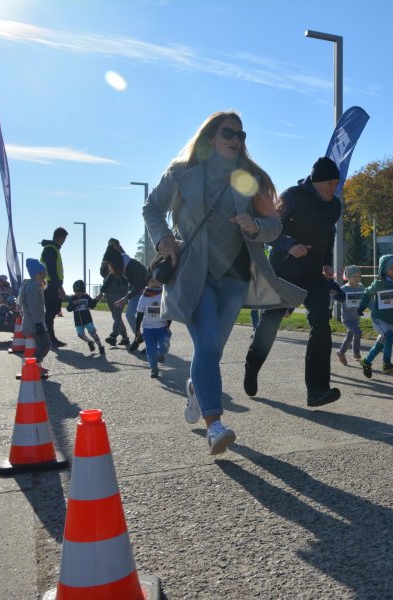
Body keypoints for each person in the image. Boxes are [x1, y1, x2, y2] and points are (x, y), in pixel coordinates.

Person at [143, 110, 305, 455]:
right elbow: (151, 209)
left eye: (241, 136)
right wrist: (163, 240)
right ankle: (215, 425)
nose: (236, 140)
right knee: (208, 346)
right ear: (210, 138)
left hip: (234, 277)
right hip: (194, 273)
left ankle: (195, 388)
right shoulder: (182, 174)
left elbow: (274, 226)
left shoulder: (248, 178)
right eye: (229, 133)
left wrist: (255, 227)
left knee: (211, 350)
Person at [243, 156, 343, 408]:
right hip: (283, 272)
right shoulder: (292, 196)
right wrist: (290, 245)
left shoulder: (334, 206)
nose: (334, 188)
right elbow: (268, 230)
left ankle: (317, 390)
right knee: (271, 323)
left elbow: (329, 234)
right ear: (317, 181)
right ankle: (252, 365)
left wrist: (328, 261)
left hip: (312, 274)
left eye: (336, 183)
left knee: (321, 321)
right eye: (330, 183)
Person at [103, 244, 149, 338]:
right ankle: (139, 336)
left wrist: (125, 298)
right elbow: (110, 277)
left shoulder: (133, 265)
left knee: (147, 318)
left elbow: (141, 285)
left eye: (110, 264)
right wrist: (101, 292)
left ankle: (151, 340)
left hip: (148, 291)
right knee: (129, 315)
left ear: (116, 262)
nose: (110, 267)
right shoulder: (120, 265)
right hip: (136, 291)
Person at [132, 274, 170, 378]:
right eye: (152, 281)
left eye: (157, 280)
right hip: (148, 329)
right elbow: (139, 314)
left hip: (162, 328)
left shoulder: (165, 295)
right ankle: (154, 368)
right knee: (150, 350)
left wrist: (168, 325)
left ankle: (161, 353)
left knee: (164, 347)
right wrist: (137, 330)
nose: (155, 283)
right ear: (147, 283)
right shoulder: (143, 298)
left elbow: (169, 311)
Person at [18, 258, 52, 370]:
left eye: (44, 273)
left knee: (40, 345)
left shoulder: (34, 286)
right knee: (46, 344)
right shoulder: (32, 288)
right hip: (34, 324)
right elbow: (32, 308)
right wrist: (38, 324)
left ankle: (36, 365)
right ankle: (32, 365)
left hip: (34, 323)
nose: (43, 275)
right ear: (33, 274)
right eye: (40, 273)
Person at [39, 226, 68, 347]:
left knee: (53, 312)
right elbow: (52, 270)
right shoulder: (50, 249)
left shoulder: (53, 248)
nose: (64, 242)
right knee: (50, 314)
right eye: (64, 239)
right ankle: (50, 339)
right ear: (61, 238)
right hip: (51, 285)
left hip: (53, 284)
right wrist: (59, 287)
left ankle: (49, 338)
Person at [66, 279, 105, 356]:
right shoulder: (73, 298)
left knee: (92, 333)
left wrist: (97, 299)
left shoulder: (86, 297)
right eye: (76, 292)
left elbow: (92, 305)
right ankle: (90, 342)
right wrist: (74, 304)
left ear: (83, 290)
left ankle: (100, 346)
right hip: (78, 321)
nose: (78, 293)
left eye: (80, 291)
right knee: (80, 334)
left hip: (87, 319)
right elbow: (68, 309)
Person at [335, 265, 365, 364]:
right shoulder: (343, 289)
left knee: (349, 337)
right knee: (358, 332)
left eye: (359, 276)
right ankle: (356, 354)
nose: (357, 278)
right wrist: (335, 295)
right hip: (347, 319)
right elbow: (336, 297)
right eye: (354, 276)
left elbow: (366, 299)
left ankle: (341, 352)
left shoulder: (361, 287)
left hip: (356, 318)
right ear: (348, 277)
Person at [96, 259, 130, 346]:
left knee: (117, 315)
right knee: (116, 316)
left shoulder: (123, 260)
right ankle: (125, 337)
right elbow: (103, 274)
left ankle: (113, 336)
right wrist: (102, 266)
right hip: (109, 293)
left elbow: (127, 276)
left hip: (120, 293)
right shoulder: (107, 261)